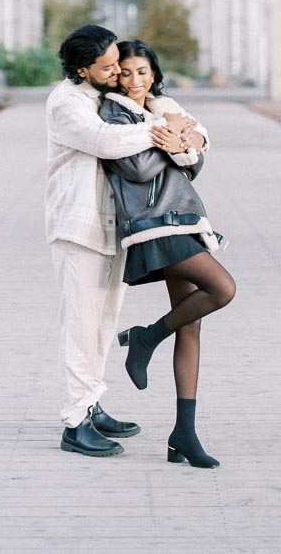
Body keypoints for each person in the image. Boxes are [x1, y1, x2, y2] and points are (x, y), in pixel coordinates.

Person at [46, 24, 206, 458]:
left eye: (119, 61)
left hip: (113, 228)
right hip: (78, 229)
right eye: (109, 67)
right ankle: (75, 423)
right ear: (83, 70)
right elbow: (105, 141)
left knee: (101, 324)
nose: (118, 71)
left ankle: (92, 404)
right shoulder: (67, 103)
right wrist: (163, 131)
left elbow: (169, 107)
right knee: (80, 327)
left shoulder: (102, 95)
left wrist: (189, 129)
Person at [99, 40, 235, 469]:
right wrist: (173, 140)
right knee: (223, 288)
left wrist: (180, 140)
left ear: (153, 74)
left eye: (142, 72)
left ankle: (183, 435)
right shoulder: (114, 113)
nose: (134, 80)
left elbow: (192, 165)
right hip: (154, 225)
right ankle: (145, 336)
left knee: (191, 327)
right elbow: (135, 169)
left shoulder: (163, 110)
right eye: (125, 72)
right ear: (114, 76)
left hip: (186, 219)